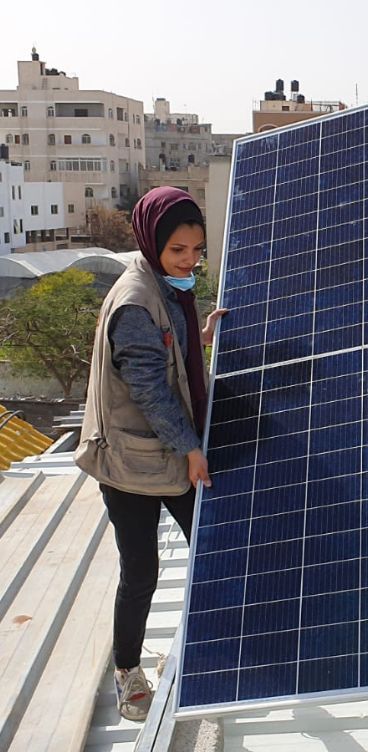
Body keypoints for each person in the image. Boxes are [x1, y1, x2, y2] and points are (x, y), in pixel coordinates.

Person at [75, 186, 226, 722]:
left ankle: (216, 650)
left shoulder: (165, 288)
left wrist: (200, 338)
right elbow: (150, 389)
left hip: (162, 452)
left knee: (213, 549)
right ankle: (127, 672)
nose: (190, 261)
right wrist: (190, 449)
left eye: (197, 250)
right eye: (178, 251)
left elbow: (171, 354)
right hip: (129, 463)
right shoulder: (136, 302)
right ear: (151, 242)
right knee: (141, 571)